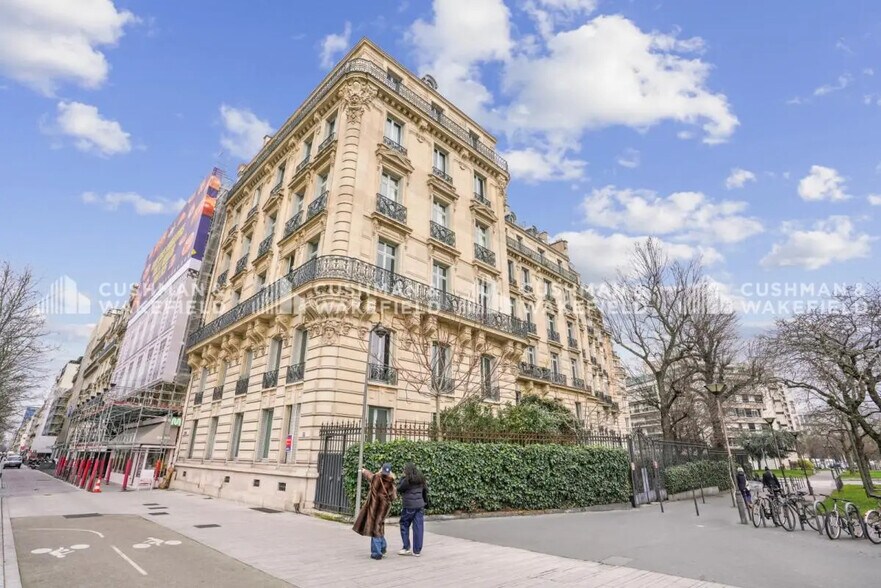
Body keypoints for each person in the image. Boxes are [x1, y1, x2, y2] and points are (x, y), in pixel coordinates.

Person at [353, 463, 397, 560]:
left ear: (381, 469)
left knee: (375, 528)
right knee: (378, 526)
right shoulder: (391, 482)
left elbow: (369, 475)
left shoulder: (376, 477)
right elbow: (393, 497)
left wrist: (363, 470)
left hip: (373, 507)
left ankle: (377, 553)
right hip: (383, 508)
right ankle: (382, 547)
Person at [397, 462, 430, 557]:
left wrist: (402, 478)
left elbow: (399, 488)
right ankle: (417, 551)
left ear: (407, 470)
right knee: (418, 527)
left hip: (409, 506)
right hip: (420, 506)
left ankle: (406, 548)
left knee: (404, 524)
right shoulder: (421, 479)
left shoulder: (407, 480)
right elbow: (425, 491)